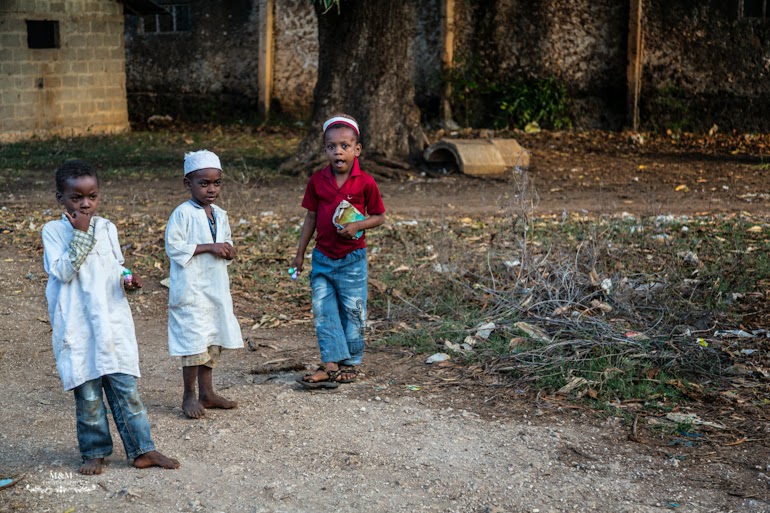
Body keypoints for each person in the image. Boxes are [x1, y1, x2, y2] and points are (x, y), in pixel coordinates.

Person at [42, 160, 179, 475]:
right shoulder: (53, 231)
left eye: (91, 196)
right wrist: (79, 234)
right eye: (76, 198)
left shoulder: (107, 228)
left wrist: (129, 280)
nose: (85, 203)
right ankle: (94, 452)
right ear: (60, 198)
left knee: (127, 390)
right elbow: (62, 271)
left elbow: (116, 266)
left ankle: (142, 449)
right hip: (77, 325)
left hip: (111, 322)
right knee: (89, 396)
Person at [292, 114, 386, 388]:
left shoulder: (365, 182)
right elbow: (310, 218)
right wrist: (300, 254)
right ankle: (331, 364)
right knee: (324, 310)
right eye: (332, 146)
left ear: (357, 149)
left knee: (353, 310)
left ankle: (351, 364)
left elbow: (379, 216)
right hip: (322, 258)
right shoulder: (317, 181)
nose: (338, 151)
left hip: (352, 260)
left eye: (345, 146)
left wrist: (358, 223)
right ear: (325, 150)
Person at [165, 150, 243, 419]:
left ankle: (207, 393)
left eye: (217, 183)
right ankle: (188, 396)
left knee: (212, 340)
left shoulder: (220, 214)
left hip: (214, 287)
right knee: (193, 344)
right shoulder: (182, 214)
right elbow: (174, 247)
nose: (212, 189)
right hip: (192, 289)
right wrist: (211, 247)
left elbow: (227, 239)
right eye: (204, 183)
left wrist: (229, 249)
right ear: (188, 184)